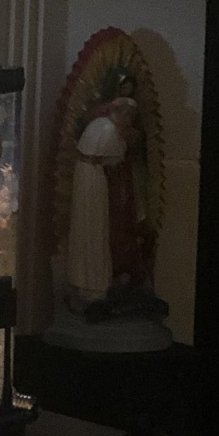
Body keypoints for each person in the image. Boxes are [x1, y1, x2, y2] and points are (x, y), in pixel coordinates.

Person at [65, 96, 148, 308]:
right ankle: (94, 286)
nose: (129, 122)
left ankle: (83, 283)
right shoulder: (109, 130)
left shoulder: (99, 124)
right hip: (95, 182)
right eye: (128, 117)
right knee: (94, 230)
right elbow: (116, 158)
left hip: (88, 177)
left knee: (87, 230)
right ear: (122, 114)